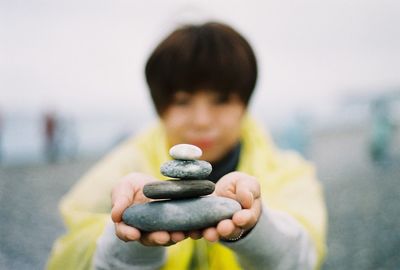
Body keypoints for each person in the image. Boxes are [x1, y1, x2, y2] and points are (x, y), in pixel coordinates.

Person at [47, 22, 327, 270]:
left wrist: (254, 228)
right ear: (160, 108)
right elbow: (68, 257)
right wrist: (133, 241)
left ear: (244, 104)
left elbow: (304, 260)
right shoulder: (120, 173)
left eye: (221, 100)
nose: (202, 121)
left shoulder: (288, 171)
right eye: (182, 101)